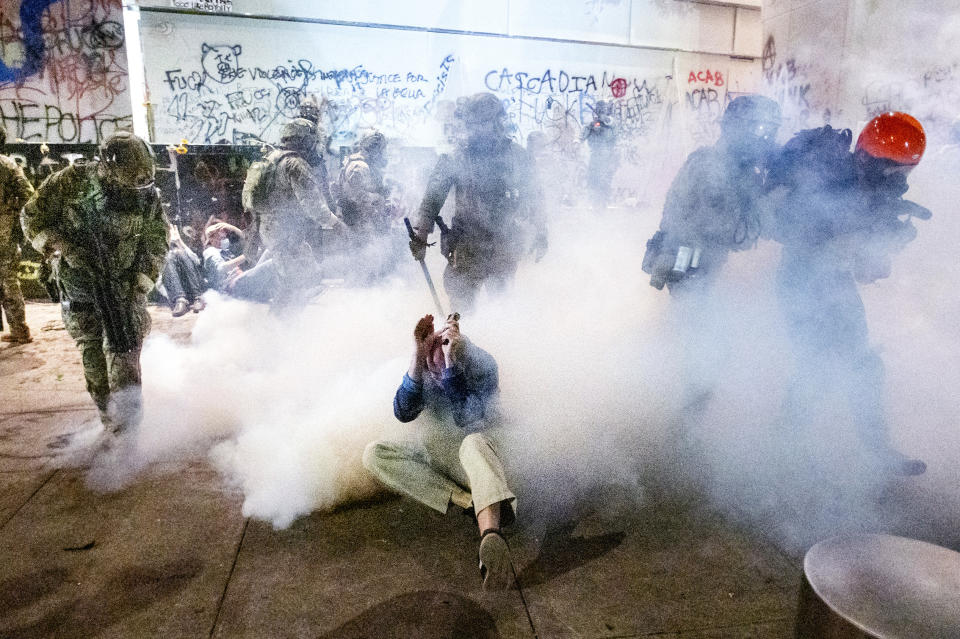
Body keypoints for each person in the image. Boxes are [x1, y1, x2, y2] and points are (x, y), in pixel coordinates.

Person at [765, 112, 930, 476]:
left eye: (906, 172)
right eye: (896, 171)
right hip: (801, 282)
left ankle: (878, 452)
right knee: (815, 368)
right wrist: (868, 237)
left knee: (865, 367)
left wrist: (889, 242)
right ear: (874, 161)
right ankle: (782, 454)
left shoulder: (875, 192)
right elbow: (805, 238)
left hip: (836, 284)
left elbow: (869, 270)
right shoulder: (823, 182)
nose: (900, 182)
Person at [21, 131, 167, 439]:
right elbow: (31, 218)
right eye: (131, 179)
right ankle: (108, 419)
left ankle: (129, 436)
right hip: (80, 289)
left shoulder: (145, 191)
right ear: (109, 167)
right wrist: (65, 248)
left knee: (125, 357)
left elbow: (157, 237)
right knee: (95, 363)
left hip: (125, 289)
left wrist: (144, 277)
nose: (138, 186)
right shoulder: (69, 182)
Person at [363, 313, 517, 590]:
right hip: (447, 456)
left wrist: (451, 368)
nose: (435, 374)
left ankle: (491, 536)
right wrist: (416, 355)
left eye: (439, 367)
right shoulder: (424, 366)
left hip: (488, 454)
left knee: (472, 443)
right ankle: (474, 503)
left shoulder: (482, 364)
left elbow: (468, 418)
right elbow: (403, 412)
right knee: (375, 453)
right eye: (431, 368)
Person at [409, 92, 547, 311]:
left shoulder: (516, 156)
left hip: (503, 245)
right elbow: (432, 198)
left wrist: (541, 232)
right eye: (475, 122)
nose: (481, 129)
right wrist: (421, 234)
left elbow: (535, 195)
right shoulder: (457, 157)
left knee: (502, 308)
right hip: (466, 246)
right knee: (461, 311)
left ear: (497, 122)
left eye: (486, 122)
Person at [642, 95, 782, 295]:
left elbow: (757, 228)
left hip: (712, 262)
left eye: (771, 131)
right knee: (692, 312)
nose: (765, 139)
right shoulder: (708, 164)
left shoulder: (744, 171)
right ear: (735, 127)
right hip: (692, 263)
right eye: (759, 129)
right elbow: (681, 211)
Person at [242, 118, 344, 307]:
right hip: (285, 231)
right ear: (304, 141)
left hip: (271, 229)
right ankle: (279, 329)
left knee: (302, 276)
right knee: (292, 286)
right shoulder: (295, 164)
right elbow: (314, 206)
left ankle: (288, 325)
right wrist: (336, 224)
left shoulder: (269, 160)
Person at [0, 126, 37, 344]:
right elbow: (28, 196)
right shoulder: (8, 164)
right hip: (4, 230)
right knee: (9, 280)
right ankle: (20, 330)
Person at [160, 224, 205, 317]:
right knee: (167, 257)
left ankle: (198, 298)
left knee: (181, 253)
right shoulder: (163, 257)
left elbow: (196, 261)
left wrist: (179, 241)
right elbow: (159, 283)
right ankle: (181, 300)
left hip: (194, 288)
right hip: (176, 293)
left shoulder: (182, 251)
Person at [581, 101, 619, 210]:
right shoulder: (593, 124)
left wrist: (604, 120)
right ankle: (595, 203)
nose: (601, 112)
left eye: (603, 109)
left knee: (605, 180)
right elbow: (585, 131)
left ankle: (603, 203)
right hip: (595, 157)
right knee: (593, 180)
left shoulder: (611, 124)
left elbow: (613, 130)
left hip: (607, 157)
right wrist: (578, 140)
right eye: (599, 109)